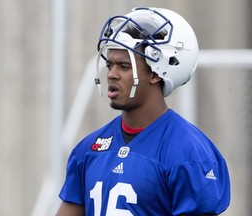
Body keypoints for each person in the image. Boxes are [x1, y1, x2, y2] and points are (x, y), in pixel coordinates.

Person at [55, 7, 230, 216]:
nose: (111, 74)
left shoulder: (188, 153)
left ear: (156, 74)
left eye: (124, 66)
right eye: (109, 65)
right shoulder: (88, 149)